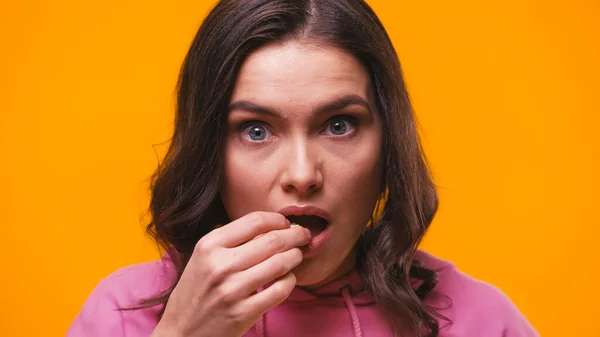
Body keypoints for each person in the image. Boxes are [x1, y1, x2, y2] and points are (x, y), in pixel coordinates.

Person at [67, 0, 540, 336]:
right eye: (255, 130)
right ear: (209, 153)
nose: (301, 173)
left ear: (388, 147)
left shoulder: (480, 319)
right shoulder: (122, 315)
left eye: (339, 125)